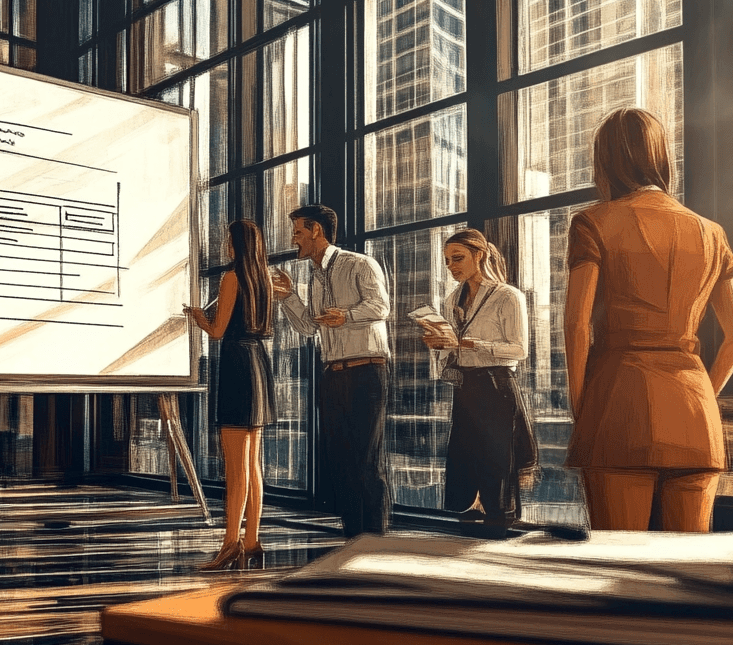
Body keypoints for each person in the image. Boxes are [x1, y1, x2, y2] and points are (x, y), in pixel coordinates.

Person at [564, 107, 733, 532]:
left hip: (618, 402)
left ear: (605, 160)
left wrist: (582, 403)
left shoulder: (593, 222)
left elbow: (577, 325)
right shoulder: (710, 231)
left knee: (622, 564)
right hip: (695, 412)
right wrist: (703, 392)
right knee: (686, 572)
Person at [271, 204, 392, 537]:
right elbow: (310, 328)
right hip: (332, 374)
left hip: (367, 371)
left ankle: (375, 539)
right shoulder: (313, 276)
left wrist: (347, 316)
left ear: (316, 231)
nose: (293, 239)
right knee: (340, 460)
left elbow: (381, 306)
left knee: (367, 461)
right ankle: (353, 537)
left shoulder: (359, 264)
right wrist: (288, 297)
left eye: (297, 232)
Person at [421, 229, 537, 537]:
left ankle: (501, 531)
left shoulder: (507, 295)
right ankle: (468, 536)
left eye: (457, 258)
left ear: (479, 255)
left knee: (497, 463)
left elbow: (519, 349)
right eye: (447, 262)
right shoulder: (450, 300)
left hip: (497, 387)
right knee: (464, 462)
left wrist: (475, 345)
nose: (452, 267)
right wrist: (441, 344)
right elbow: (453, 349)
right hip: (466, 389)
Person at [185, 220, 276, 571]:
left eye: (228, 240)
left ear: (236, 243)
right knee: (253, 464)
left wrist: (198, 318)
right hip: (259, 364)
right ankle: (251, 541)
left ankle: (229, 545)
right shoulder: (264, 279)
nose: (225, 245)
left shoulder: (232, 277)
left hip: (238, 365)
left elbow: (218, 331)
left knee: (235, 469)